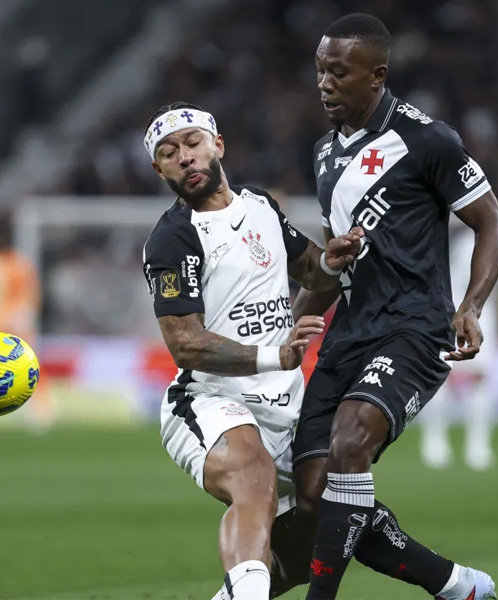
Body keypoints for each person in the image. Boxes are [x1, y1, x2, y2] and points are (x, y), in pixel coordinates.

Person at [290, 14, 498, 600]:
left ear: (377, 75)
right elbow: (334, 265)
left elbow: (492, 222)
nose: (324, 83)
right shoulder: (324, 153)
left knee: (350, 442)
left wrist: (471, 305)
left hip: (416, 327)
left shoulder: (427, 139)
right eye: (320, 71)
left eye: (339, 72)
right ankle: (457, 585)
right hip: (349, 332)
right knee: (314, 491)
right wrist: (292, 325)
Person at [140, 102, 362, 600]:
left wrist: (334, 259)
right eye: (169, 153)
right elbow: (186, 344)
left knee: (312, 542)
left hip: (286, 403)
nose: (185, 157)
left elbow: (311, 271)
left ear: (217, 145)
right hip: (211, 399)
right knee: (253, 477)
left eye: (193, 143)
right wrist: (274, 355)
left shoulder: (260, 204)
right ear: (160, 170)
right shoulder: (172, 239)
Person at [420, 227, 498, 471]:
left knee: (476, 379)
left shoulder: (492, 242)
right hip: (458, 311)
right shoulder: (477, 242)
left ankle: (472, 445)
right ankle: (440, 442)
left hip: (476, 313)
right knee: (446, 377)